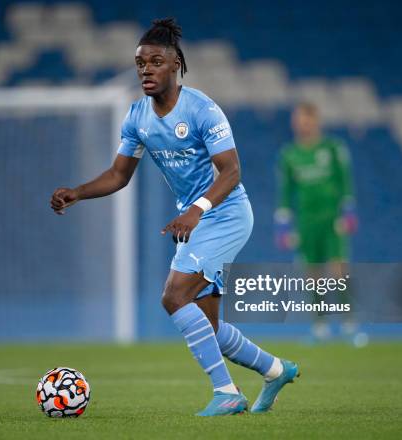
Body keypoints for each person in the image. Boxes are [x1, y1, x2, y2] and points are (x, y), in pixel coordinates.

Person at [51, 18, 299, 416]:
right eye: (140, 63)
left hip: (226, 213)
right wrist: (77, 192)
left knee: (173, 296)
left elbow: (232, 171)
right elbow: (119, 174)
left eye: (155, 61)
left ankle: (226, 393)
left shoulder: (202, 108)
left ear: (176, 64)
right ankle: (275, 370)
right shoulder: (136, 116)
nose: (146, 70)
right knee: (208, 327)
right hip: (195, 220)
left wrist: (196, 211)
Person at [275, 102, 359, 343]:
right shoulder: (289, 154)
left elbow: (345, 181)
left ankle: (349, 324)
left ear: (315, 121)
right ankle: (320, 326)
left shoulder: (333, 148)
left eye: (305, 119)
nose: (301, 124)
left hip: (332, 220)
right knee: (312, 275)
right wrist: (282, 224)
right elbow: (285, 192)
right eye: (297, 120)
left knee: (338, 270)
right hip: (306, 223)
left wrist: (349, 210)